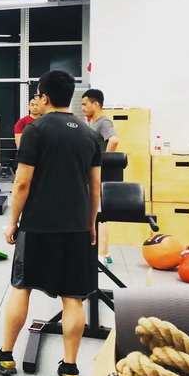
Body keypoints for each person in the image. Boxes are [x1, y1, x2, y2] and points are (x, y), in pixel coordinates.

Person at [0, 70, 101, 376]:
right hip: (76, 227)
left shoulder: (35, 130)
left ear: (46, 97)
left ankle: (6, 356)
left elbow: (22, 183)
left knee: (22, 287)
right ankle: (70, 367)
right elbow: (95, 187)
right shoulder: (89, 134)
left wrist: (13, 221)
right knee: (73, 298)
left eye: (38, 95)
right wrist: (90, 223)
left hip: (38, 225)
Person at [81, 88, 119, 267]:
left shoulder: (104, 122)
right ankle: (106, 252)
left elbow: (114, 140)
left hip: (100, 176)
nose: (82, 108)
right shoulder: (93, 123)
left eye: (85, 104)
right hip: (92, 174)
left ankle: (102, 255)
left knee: (99, 215)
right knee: (96, 213)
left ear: (96, 104)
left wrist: (104, 162)